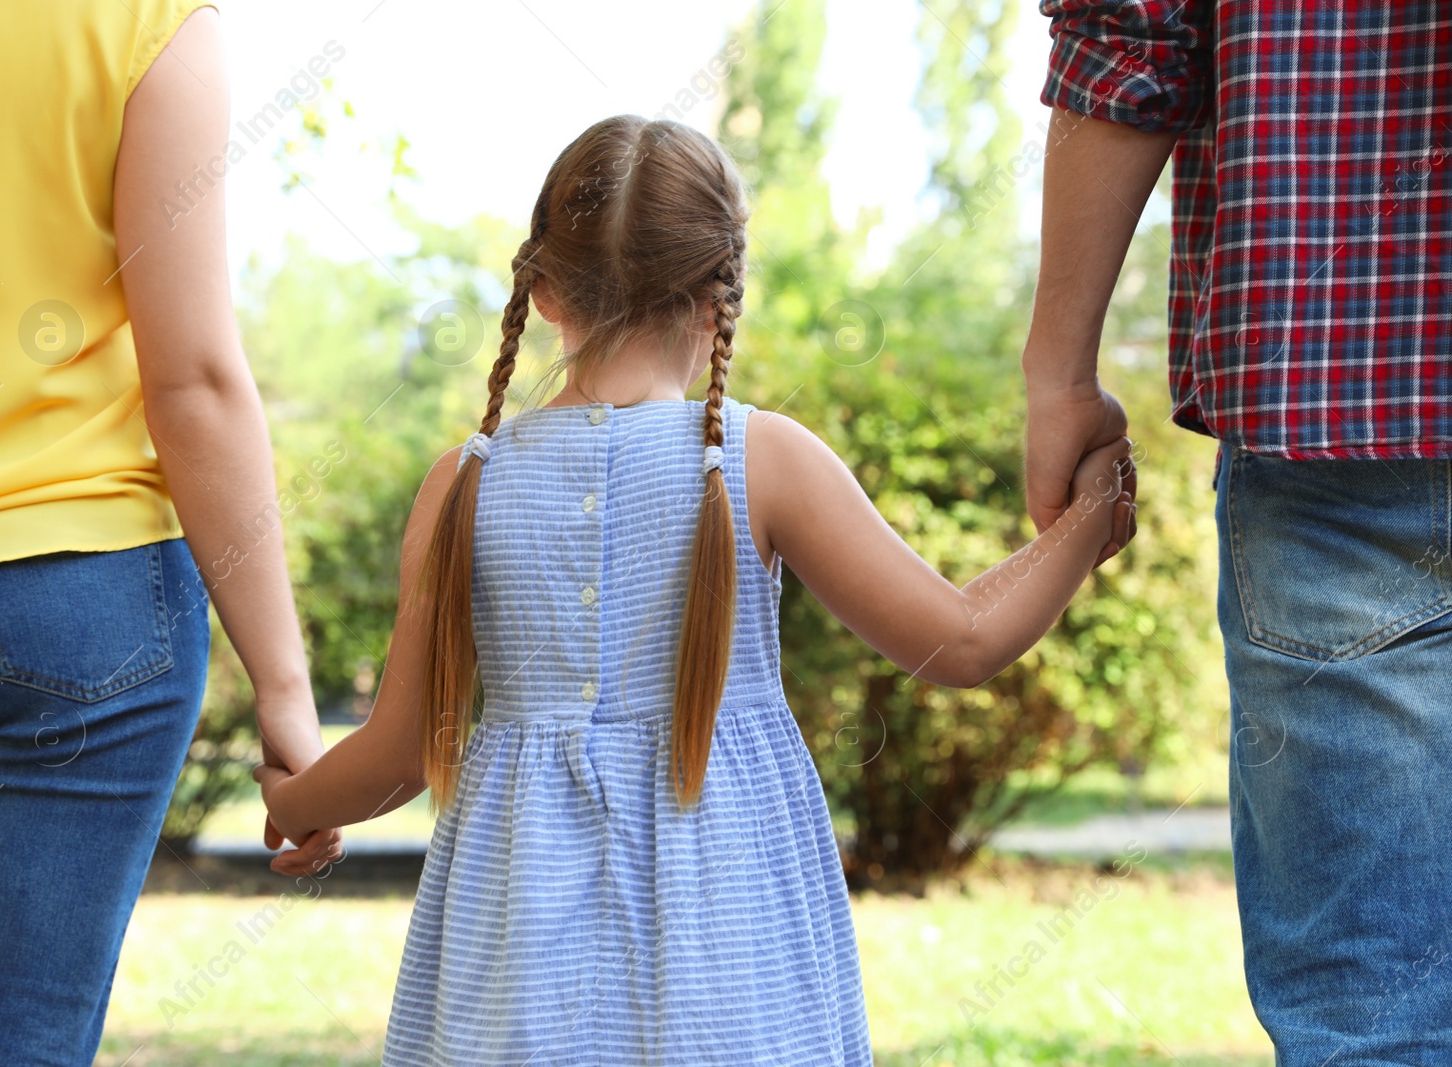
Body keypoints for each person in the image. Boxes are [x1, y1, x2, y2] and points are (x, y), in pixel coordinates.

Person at [254, 113, 1135, 1066]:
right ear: (722, 297)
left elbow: (397, 749)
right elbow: (963, 638)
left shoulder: (463, 485)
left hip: (515, 956)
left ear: (542, 290)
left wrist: (300, 801)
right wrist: (1091, 513)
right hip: (731, 944)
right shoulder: (764, 460)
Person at [0, 5, 337, 1063]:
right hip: (74, 590)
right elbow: (193, 378)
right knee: (10, 1039)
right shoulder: (148, 19)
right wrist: (286, 688)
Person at [1025, 1, 1452, 1061]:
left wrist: (1059, 376)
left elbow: (1127, 37)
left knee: (1374, 1010)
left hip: (1348, 390)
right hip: (1344, 422)